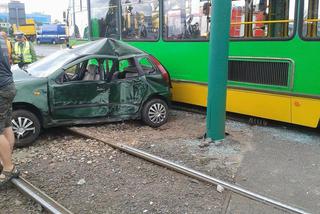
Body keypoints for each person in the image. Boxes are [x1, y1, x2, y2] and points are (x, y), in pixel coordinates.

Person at [0, 34, 19, 186]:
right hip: (8, 86)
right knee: (7, 125)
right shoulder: (2, 40)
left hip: (0, 89)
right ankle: (6, 160)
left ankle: (8, 168)